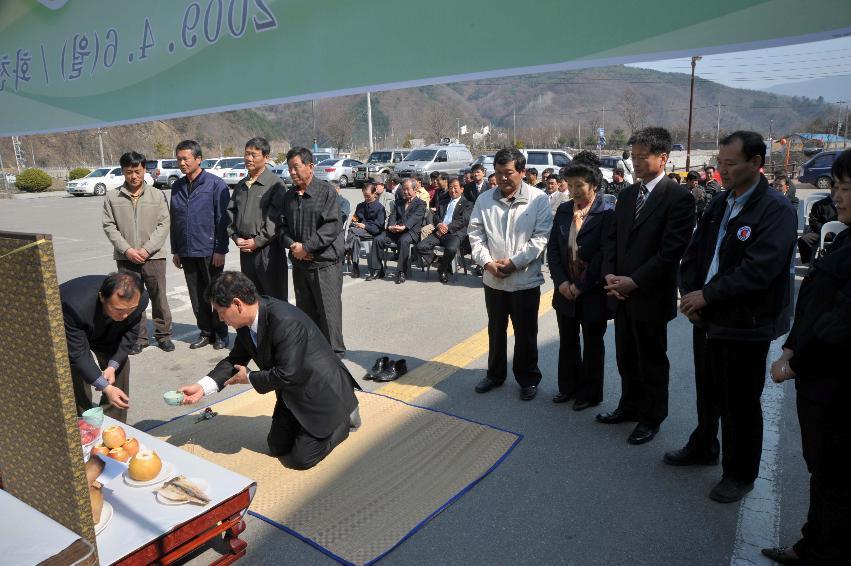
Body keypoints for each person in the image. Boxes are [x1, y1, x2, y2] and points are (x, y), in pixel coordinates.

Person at [672, 131, 797, 503]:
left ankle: (740, 473)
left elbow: (760, 270)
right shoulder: (720, 202)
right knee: (708, 389)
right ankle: (704, 444)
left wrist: (706, 295)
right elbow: (695, 253)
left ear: (756, 163)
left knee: (740, 401)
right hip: (707, 316)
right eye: (720, 163)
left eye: (730, 163)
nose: (721, 170)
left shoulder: (776, 209)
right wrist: (689, 292)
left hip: (746, 323)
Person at [762, 148, 851, 566]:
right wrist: (793, 342)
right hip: (820, 378)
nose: (837, 197)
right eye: (835, 186)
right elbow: (816, 300)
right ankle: (812, 543)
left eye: (845, 188)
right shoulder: (846, 236)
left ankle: (820, 550)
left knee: (834, 477)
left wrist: (793, 364)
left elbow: (840, 323)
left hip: (835, 386)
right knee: (824, 472)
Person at [178, 272, 361, 470]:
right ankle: (306, 425)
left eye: (221, 311)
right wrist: (202, 388)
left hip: (321, 390)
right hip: (290, 389)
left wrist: (248, 377)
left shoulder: (285, 320)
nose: (220, 319)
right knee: (276, 447)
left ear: (237, 304)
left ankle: (342, 420)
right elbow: (235, 360)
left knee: (301, 460)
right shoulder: (247, 321)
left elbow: (288, 373)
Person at [599, 127, 695, 445]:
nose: (636, 162)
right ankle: (629, 406)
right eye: (634, 156)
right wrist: (610, 276)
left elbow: (670, 252)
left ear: (663, 158)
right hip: (621, 293)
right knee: (626, 356)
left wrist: (634, 281)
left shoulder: (678, 197)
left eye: (643, 157)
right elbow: (612, 240)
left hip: (650, 295)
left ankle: (652, 417)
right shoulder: (627, 195)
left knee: (651, 360)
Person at [469, 147, 552, 400]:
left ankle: (527, 378)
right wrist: (487, 263)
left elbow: (540, 238)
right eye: (499, 173)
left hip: (524, 280)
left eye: (509, 173)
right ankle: (495, 374)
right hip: (493, 279)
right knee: (495, 329)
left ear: (522, 172)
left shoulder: (538, 199)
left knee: (526, 332)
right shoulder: (485, 200)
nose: (503, 178)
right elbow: (475, 235)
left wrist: (515, 263)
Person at [547, 159, 614, 410]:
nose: (574, 191)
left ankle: (590, 393)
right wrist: (562, 282)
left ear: (594, 185)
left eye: (580, 185)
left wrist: (581, 286)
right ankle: (568, 387)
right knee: (568, 340)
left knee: (593, 344)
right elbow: (553, 249)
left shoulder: (606, 213)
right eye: (570, 185)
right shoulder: (564, 210)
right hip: (564, 289)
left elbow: (603, 256)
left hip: (592, 292)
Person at [102, 151, 172, 354]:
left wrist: (147, 249)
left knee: (159, 297)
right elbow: (109, 226)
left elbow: (164, 223)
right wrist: (128, 250)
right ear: (122, 171)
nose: (133, 176)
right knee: (131, 298)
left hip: (154, 257)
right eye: (129, 172)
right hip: (126, 258)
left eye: (138, 171)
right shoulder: (112, 196)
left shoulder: (157, 195)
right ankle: (139, 338)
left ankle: (163, 335)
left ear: (144, 170)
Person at [279, 146, 346, 357]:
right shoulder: (289, 196)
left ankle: (335, 357)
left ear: (310, 166)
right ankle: (312, 353)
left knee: (329, 313)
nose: (292, 172)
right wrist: (293, 246)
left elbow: (331, 226)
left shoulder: (326, 192)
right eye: (289, 168)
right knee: (305, 312)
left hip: (324, 264)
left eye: (296, 167)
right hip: (300, 264)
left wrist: (306, 247)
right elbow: (281, 227)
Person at [61, 272, 148, 423]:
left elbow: (129, 336)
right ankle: (85, 419)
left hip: (106, 329)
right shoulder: (73, 306)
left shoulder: (139, 300)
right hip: (73, 326)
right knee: (76, 369)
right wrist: (105, 387)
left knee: (121, 363)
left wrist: (112, 367)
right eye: (119, 310)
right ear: (102, 297)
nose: (125, 315)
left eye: (130, 309)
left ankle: (112, 421)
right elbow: (78, 355)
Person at [170, 139, 231, 350]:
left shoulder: (215, 185)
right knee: (196, 296)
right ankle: (205, 332)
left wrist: (220, 249)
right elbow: (175, 220)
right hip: (187, 251)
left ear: (198, 159)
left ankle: (222, 333)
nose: (182, 163)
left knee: (216, 294)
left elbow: (223, 220)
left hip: (209, 250)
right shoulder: (177, 186)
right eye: (179, 159)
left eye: (186, 158)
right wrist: (176, 250)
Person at [228, 137, 287, 301]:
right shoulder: (241, 185)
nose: (249, 158)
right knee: (251, 297)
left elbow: (275, 219)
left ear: (266, 157)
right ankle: (256, 328)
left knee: (273, 297)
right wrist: (235, 237)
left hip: (268, 252)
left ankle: (274, 328)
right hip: (245, 250)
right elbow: (230, 213)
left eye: (254, 155)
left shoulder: (275, 184)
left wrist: (257, 241)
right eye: (246, 154)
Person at [366, 178, 426, 284]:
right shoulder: (399, 202)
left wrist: (404, 227)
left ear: (415, 189)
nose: (405, 192)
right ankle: (377, 270)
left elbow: (415, 218)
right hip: (396, 231)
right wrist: (391, 226)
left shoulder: (421, 204)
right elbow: (393, 216)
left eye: (408, 189)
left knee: (403, 241)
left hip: (410, 232)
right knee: (378, 239)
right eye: (404, 189)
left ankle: (401, 272)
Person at [416, 177, 473, 284]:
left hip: (454, 234)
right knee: (420, 247)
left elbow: (463, 220)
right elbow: (436, 216)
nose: (453, 190)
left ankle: (442, 270)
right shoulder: (443, 202)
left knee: (451, 249)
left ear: (462, 189)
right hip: (439, 231)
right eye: (450, 187)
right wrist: (439, 224)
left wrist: (447, 227)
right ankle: (443, 263)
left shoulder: (468, 204)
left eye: (455, 188)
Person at [345, 183, 385, 278]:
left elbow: (378, 227)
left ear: (374, 193)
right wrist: (355, 224)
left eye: (368, 196)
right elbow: (354, 220)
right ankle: (355, 266)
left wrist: (364, 226)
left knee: (352, 231)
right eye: (364, 196)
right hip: (358, 232)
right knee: (355, 238)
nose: (366, 198)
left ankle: (344, 249)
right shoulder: (360, 206)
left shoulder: (380, 208)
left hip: (373, 232)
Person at [797, 183, 838, 264]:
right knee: (803, 240)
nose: (838, 191)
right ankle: (811, 262)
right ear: (831, 188)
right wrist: (825, 232)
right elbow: (813, 222)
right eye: (836, 188)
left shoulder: (846, 204)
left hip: (843, 234)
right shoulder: (819, 204)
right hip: (823, 234)